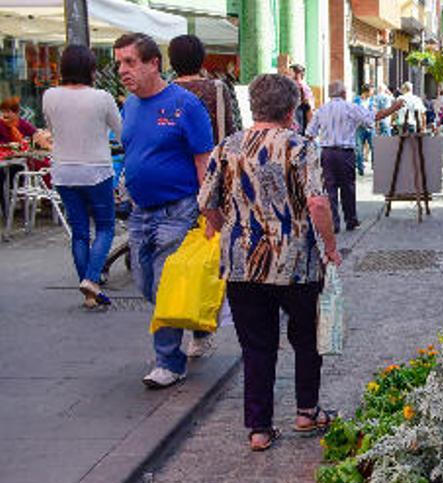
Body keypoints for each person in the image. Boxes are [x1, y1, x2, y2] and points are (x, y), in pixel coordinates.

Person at [198, 73, 341, 451]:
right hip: (296, 262)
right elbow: (317, 202)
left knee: (256, 346)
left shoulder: (227, 147)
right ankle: (306, 411)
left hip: (242, 263)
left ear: (253, 106)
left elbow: (206, 202)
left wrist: (226, 230)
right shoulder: (300, 146)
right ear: (292, 110)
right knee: (306, 338)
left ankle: (259, 429)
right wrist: (330, 246)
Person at [114, 32, 216, 388]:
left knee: (165, 282)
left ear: (153, 63)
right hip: (141, 210)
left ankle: (169, 362)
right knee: (144, 283)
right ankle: (198, 320)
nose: (123, 70)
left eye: (130, 61)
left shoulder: (184, 105)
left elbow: (204, 161)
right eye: (119, 62)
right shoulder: (129, 105)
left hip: (179, 208)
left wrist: (209, 211)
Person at [42, 45, 122, 308]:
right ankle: (90, 278)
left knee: (79, 233)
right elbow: (121, 133)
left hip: (64, 171)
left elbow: (53, 129)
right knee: (106, 227)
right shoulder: (102, 97)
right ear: (91, 69)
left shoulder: (49, 96)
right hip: (97, 170)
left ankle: (90, 293)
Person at [307, 81, 403, 232]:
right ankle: (351, 220)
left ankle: (333, 223)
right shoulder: (350, 107)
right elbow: (372, 117)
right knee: (348, 187)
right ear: (343, 93)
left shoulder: (322, 110)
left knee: (329, 188)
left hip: (326, 153)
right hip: (345, 153)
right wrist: (393, 109)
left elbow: (310, 133)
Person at [168, 35, 241, 144]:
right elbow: (232, 130)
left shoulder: (165, 92)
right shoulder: (218, 88)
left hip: (175, 158)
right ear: (202, 58)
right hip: (212, 157)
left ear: (172, 61)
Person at [352, 84, 375, 176]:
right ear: (366, 91)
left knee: (374, 147)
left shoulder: (372, 101)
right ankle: (360, 168)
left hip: (370, 127)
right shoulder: (356, 100)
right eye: (372, 91)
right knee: (359, 149)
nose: (373, 93)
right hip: (359, 128)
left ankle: (375, 167)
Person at [290, 64, 313, 133]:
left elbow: (308, 103)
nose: (288, 75)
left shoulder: (302, 86)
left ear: (297, 73)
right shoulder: (302, 85)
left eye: (290, 72)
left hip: (299, 111)